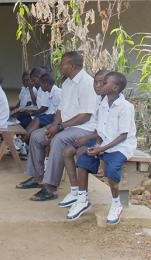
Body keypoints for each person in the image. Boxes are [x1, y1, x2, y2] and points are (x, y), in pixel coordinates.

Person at [16, 51, 98, 202]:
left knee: (58, 140)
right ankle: (37, 177)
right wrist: (53, 126)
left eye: (63, 63)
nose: (60, 65)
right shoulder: (67, 83)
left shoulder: (87, 83)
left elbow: (85, 116)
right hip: (66, 126)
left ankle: (50, 187)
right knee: (37, 136)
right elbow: (60, 109)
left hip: (85, 128)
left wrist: (59, 128)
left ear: (72, 66)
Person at [65, 72, 136, 225]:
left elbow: (123, 135)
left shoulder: (125, 107)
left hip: (120, 146)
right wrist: (95, 143)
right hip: (104, 143)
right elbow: (101, 128)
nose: (100, 85)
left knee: (112, 170)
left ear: (115, 88)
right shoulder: (103, 104)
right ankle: (82, 198)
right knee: (83, 158)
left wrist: (102, 148)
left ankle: (116, 203)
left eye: (105, 83)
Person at [57, 69, 109, 208]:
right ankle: (75, 192)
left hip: (107, 141)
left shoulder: (112, 103)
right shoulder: (98, 99)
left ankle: (83, 198)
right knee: (67, 151)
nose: (97, 85)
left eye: (102, 82)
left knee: (82, 154)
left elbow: (108, 130)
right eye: (95, 82)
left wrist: (88, 138)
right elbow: (96, 125)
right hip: (94, 135)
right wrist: (88, 136)